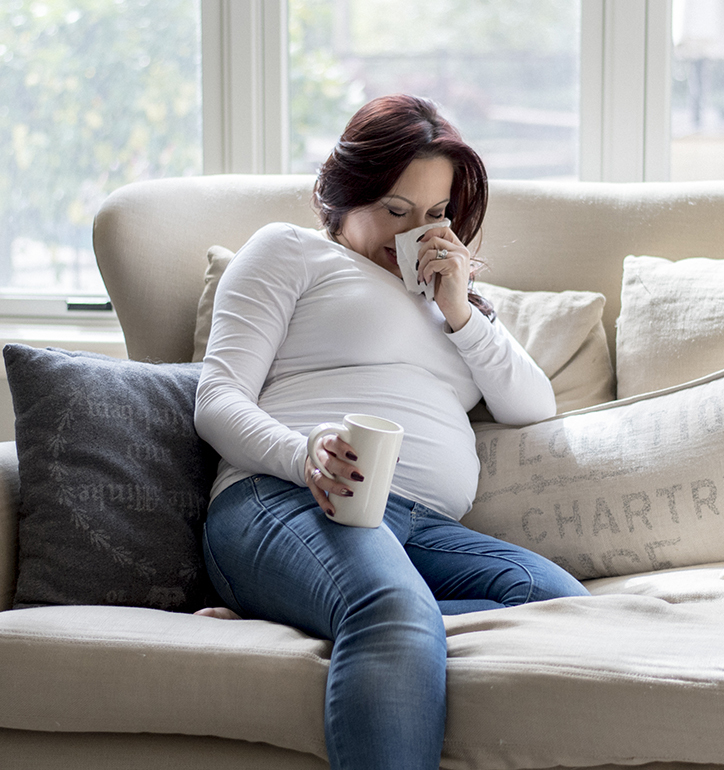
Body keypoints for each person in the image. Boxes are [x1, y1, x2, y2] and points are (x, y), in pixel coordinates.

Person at [193, 93, 590, 770]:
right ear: (344, 195)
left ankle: (309, 612)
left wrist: (460, 309)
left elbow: (532, 406)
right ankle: (364, 613)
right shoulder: (288, 253)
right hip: (287, 499)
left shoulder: (451, 303)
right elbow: (216, 398)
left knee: (557, 604)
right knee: (393, 611)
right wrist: (304, 456)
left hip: (421, 528)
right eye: (395, 211)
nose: (412, 233)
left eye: (436, 215)